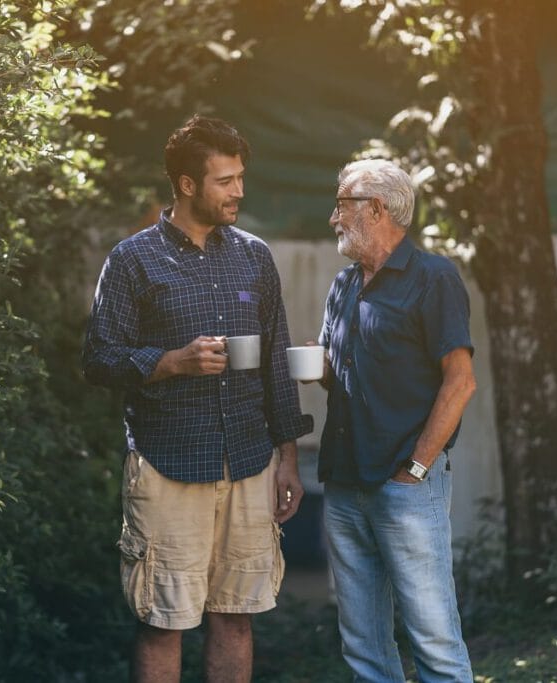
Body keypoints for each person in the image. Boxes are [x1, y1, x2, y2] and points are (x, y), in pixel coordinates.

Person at [82, 115, 312, 683]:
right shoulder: (133, 259)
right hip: (168, 463)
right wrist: (168, 362)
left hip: (248, 461)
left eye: (240, 178)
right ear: (187, 185)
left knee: (236, 617)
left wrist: (288, 457)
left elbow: (276, 364)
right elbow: (98, 359)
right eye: (225, 180)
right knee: (164, 620)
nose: (239, 191)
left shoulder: (255, 257)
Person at [317, 159, 476, 682]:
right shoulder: (342, 286)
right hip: (343, 484)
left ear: (376, 209)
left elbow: (460, 382)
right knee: (363, 647)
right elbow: (343, 373)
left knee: (433, 641)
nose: (334, 217)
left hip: (405, 487)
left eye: (342, 204)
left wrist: (417, 469)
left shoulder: (434, 278)